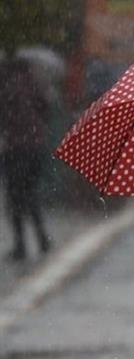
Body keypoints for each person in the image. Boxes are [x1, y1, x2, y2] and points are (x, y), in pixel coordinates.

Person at [0, 58, 51, 261]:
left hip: (15, 148)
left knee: (15, 196)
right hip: (35, 146)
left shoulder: (6, 89)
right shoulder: (33, 83)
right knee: (30, 193)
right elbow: (45, 108)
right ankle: (41, 238)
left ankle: (21, 244)